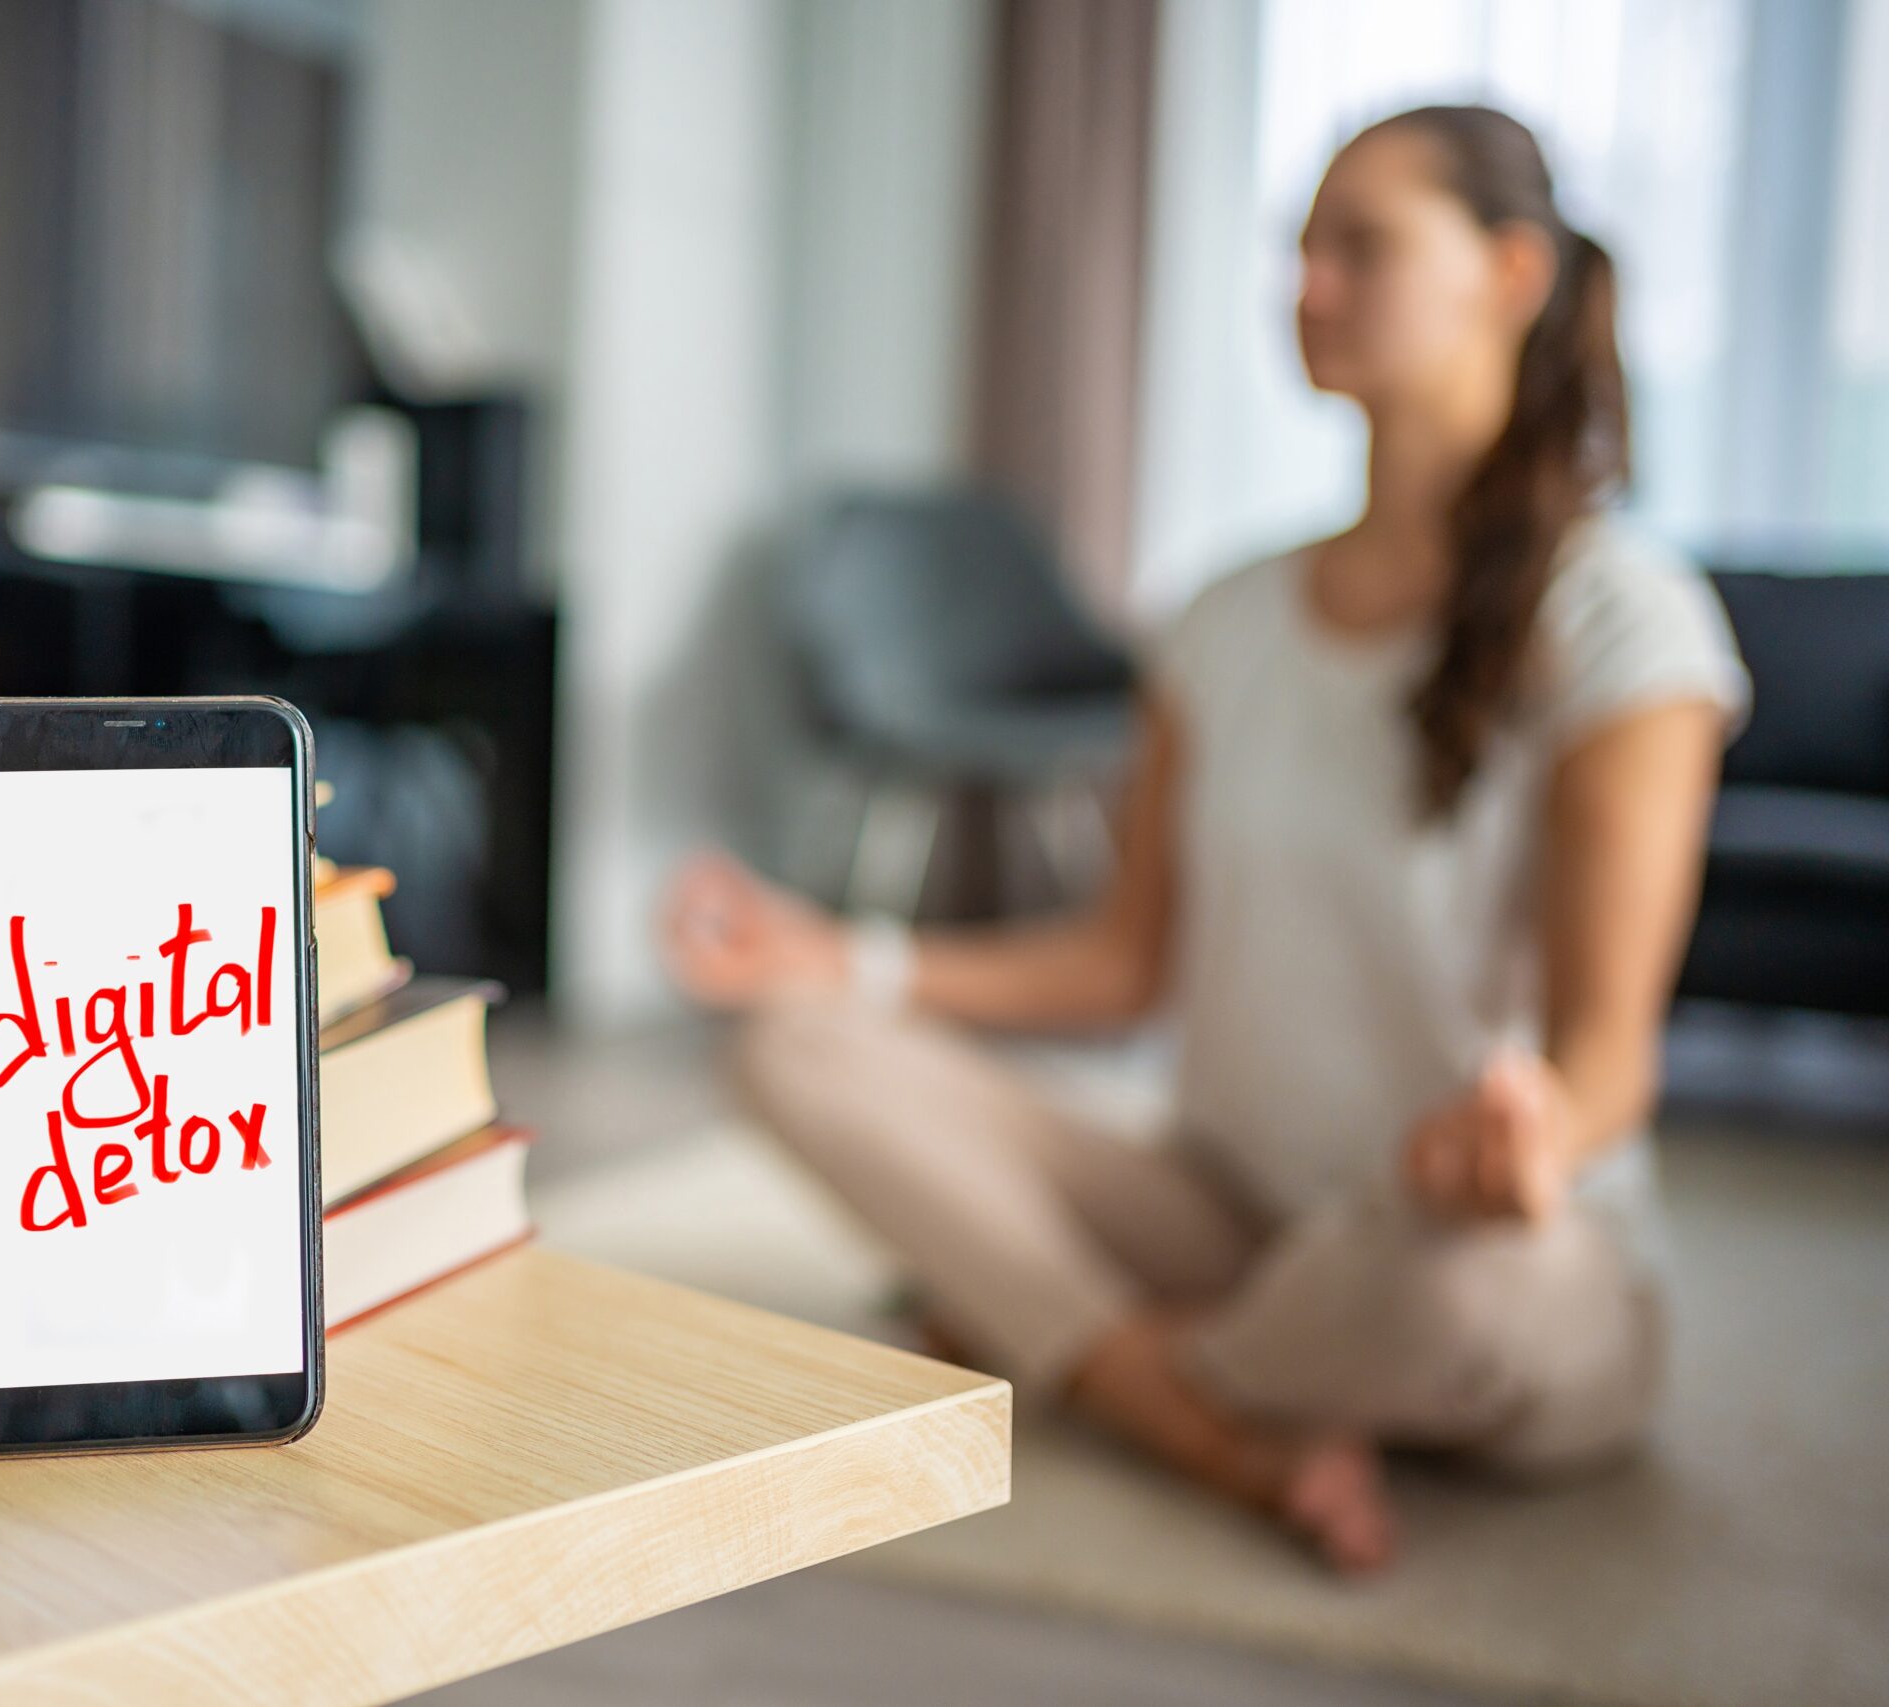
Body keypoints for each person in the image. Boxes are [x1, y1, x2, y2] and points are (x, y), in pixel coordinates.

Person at [658, 105, 1748, 1575]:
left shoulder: (1628, 621)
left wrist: (1530, 1136)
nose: (1304, 287)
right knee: (790, 1045)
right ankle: (1196, 1410)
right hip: (1229, 1217)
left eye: (1358, 245)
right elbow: (1122, 962)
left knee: (1465, 1302)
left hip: (1468, 1252)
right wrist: (840, 956)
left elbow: (1610, 1057)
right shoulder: (1222, 619)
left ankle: (1071, 1340)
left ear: (1512, 272)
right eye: (1296, 249)